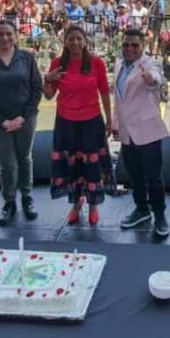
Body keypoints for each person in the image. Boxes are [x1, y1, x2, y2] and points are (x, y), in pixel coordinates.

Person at [0, 20, 44, 227]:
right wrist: (1, 121)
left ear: (15, 36)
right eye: (0, 34)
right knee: (7, 164)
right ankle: (9, 202)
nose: (5, 38)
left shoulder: (26, 58)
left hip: (25, 119)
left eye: (9, 34)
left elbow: (36, 88)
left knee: (25, 159)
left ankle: (27, 198)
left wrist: (23, 117)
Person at [43, 25, 113, 227]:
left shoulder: (96, 63)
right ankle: (76, 204)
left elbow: (104, 92)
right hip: (66, 123)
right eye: (71, 38)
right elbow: (49, 95)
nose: (75, 42)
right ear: (65, 42)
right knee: (72, 165)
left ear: (84, 41)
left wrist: (110, 119)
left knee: (92, 166)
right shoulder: (58, 63)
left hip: (91, 122)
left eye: (78, 38)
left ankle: (93, 206)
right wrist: (46, 79)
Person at [111, 28, 170, 238]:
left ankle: (160, 216)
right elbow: (118, 99)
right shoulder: (119, 65)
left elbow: (156, 79)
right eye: (126, 44)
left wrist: (151, 79)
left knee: (153, 178)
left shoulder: (150, 64)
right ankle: (142, 209)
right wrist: (115, 124)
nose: (129, 48)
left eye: (134, 45)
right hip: (127, 132)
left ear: (142, 46)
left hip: (147, 132)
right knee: (134, 176)